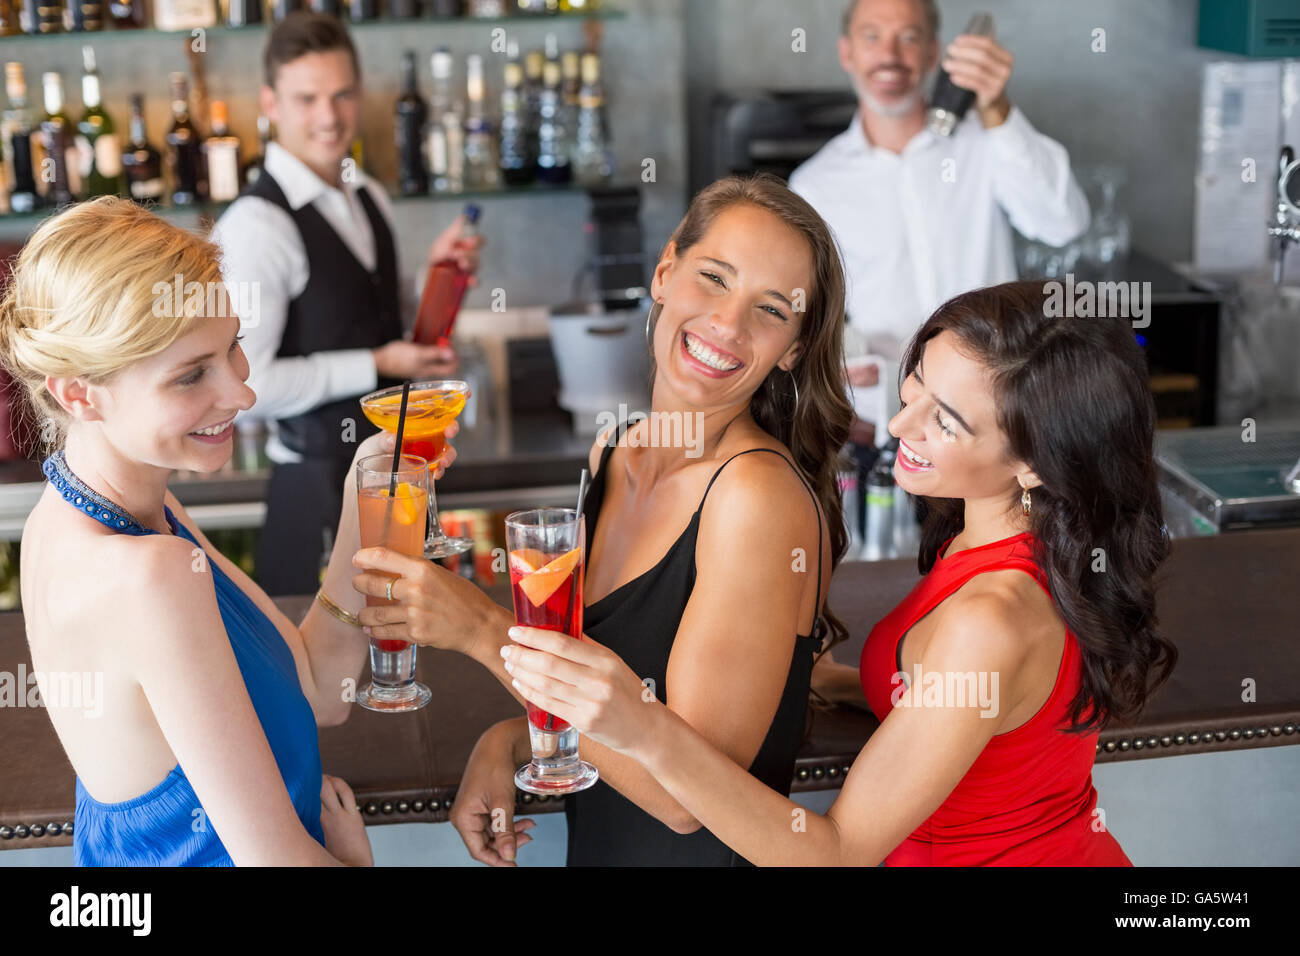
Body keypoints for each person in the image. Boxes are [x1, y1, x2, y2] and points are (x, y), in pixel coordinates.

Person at [501, 280, 1179, 866]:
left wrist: (640, 723)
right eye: (914, 389)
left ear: (1034, 463)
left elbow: (835, 851)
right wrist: (831, 683)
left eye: (943, 422)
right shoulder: (1010, 549)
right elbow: (974, 710)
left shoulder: (990, 619)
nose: (898, 423)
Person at [350, 174, 855, 865]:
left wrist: (479, 629)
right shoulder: (615, 450)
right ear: (665, 273)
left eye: (770, 310)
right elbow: (612, 712)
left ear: (793, 350)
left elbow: (682, 802)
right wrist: (507, 739)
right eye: (713, 278)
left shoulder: (754, 500)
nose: (727, 326)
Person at [2, 198, 453, 865]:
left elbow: (319, 690)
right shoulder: (146, 575)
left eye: (233, 346)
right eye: (191, 375)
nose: (242, 394)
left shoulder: (100, 514)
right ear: (79, 394)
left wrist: (369, 495)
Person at [210, 11, 481, 596]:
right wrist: (381, 365)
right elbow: (247, 387)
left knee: (416, 666)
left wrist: (435, 278)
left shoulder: (367, 194)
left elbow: (372, 311)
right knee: (326, 675)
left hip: (400, 476)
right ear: (271, 103)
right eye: (306, 98)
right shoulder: (257, 225)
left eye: (341, 95)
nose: (328, 117)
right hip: (314, 490)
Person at [789, 0, 1089, 462]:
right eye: (872, 37)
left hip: (998, 408)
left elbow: (1063, 223)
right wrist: (827, 380)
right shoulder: (814, 184)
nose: (889, 55)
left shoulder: (986, 141)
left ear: (934, 54)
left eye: (908, 37)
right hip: (887, 420)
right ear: (847, 53)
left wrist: (998, 109)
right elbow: (803, 312)